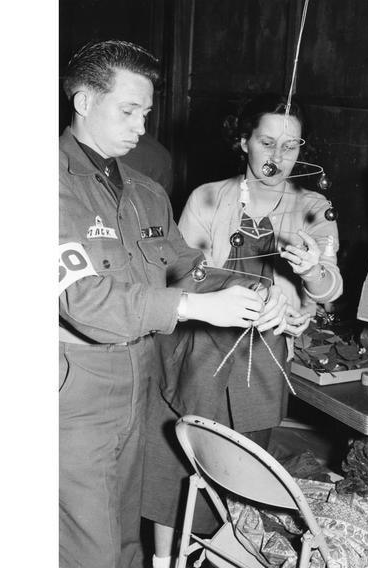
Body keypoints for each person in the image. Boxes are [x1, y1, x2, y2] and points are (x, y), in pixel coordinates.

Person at [59, 40, 290, 568]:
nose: (142, 126)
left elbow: (190, 267)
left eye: (146, 112)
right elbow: (84, 300)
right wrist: (194, 307)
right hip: (78, 387)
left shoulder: (146, 192)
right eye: (128, 110)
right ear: (84, 101)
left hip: (141, 379)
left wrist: (258, 293)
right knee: (85, 547)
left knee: (126, 539)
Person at [141, 93, 343, 568]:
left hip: (263, 365)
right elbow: (178, 273)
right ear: (243, 141)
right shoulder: (209, 197)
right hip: (194, 352)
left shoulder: (315, 207)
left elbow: (331, 289)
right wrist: (246, 288)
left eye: (291, 146)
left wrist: (312, 274)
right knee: (174, 463)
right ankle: (164, 560)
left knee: (241, 476)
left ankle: (219, 555)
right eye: (267, 142)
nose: (278, 158)